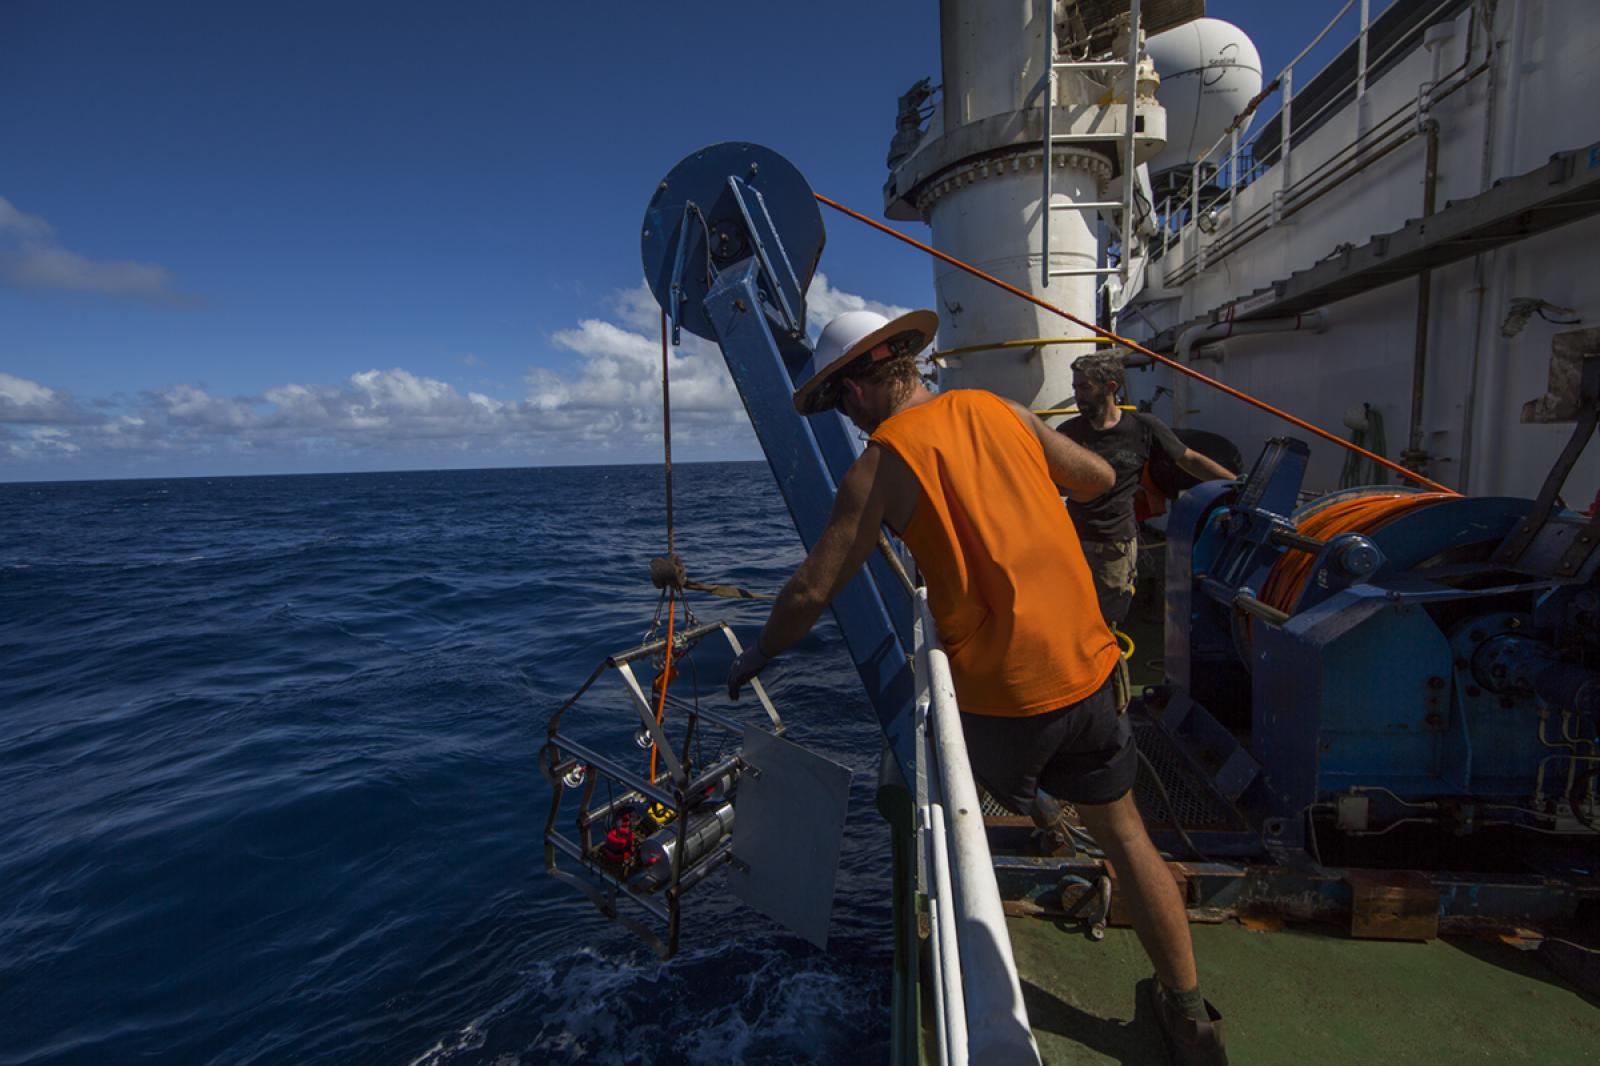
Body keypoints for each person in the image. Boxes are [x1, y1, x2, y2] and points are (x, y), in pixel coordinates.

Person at [725, 310, 1227, 1064]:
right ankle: (1189, 1016)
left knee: (951, 807)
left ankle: (1020, 889)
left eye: (839, 399)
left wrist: (756, 655)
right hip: (1088, 670)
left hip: (1006, 705)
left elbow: (811, 590)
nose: (846, 415)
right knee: (1129, 838)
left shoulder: (882, 465)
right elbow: (1094, 479)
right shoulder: (1002, 410)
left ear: (863, 381)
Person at [1058, 352, 1237, 627]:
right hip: (1071, 542)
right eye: (1075, 388)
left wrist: (1234, 485)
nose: (1078, 395)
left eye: (1085, 387)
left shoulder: (1143, 428)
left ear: (1110, 388)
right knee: (1070, 621)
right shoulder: (1066, 433)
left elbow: (1188, 459)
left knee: (1105, 626)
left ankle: (1110, 670)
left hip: (1114, 547)